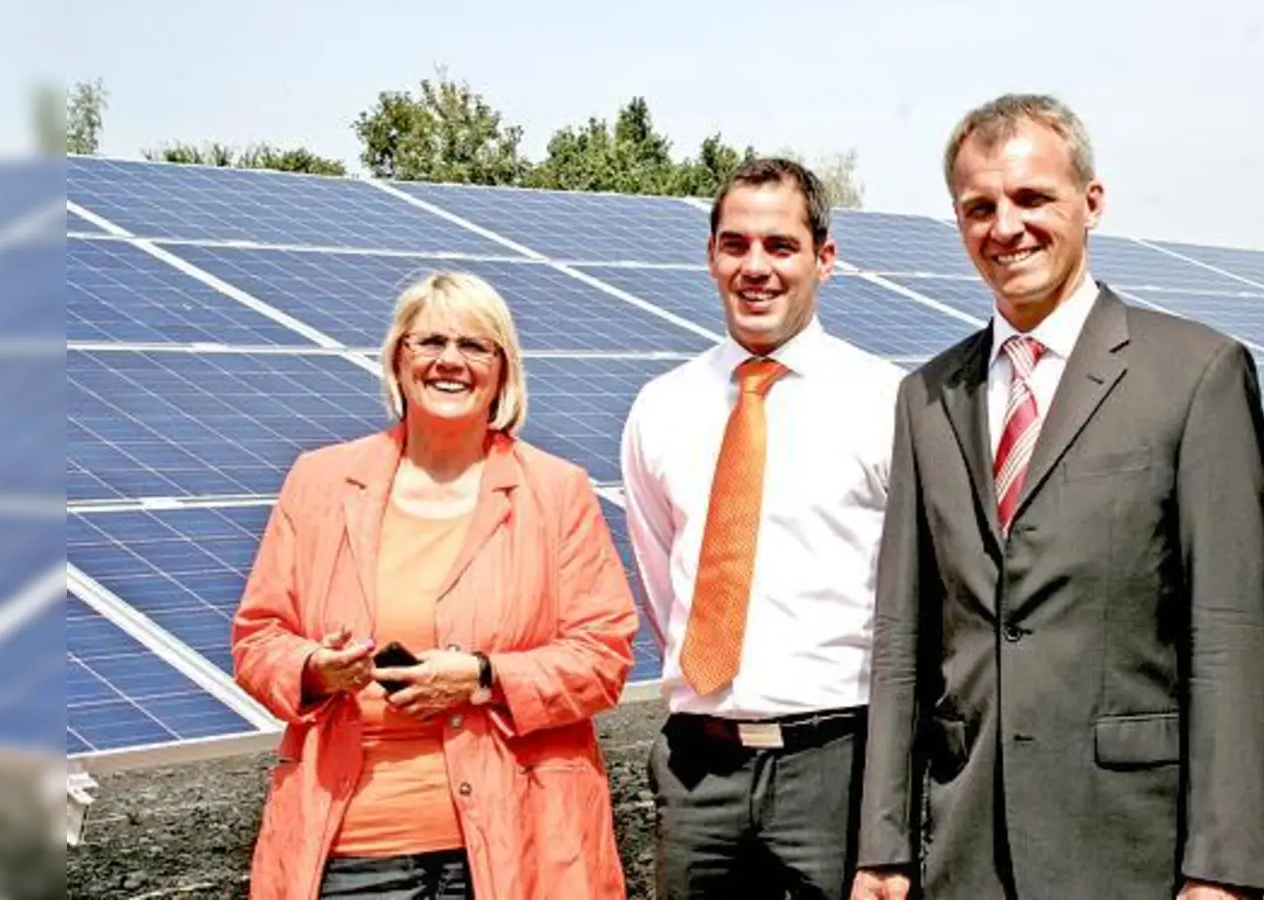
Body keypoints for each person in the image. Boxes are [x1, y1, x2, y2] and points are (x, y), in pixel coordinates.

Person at [852, 94, 1264, 900]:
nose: (1005, 227)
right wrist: (884, 844)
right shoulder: (929, 396)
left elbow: (1228, 635)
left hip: (1127, 841)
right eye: (979, 207)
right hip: (966, 841)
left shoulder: (1194, 374)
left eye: (1031, 198)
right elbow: (903, 635)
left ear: (1090, 202)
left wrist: (1223, 869)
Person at [231, 270, 639, 900]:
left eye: (476, 346)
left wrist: (481, 677)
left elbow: (603, 655)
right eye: (431, 343)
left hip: (517, 842)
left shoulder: (556, 492)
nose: (451, 362)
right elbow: (258, 639)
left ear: (503, 370)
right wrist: (316, 667)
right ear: (399, 360)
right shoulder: (319, 482)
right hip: (351, 851)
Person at [620, 157, 905, 899]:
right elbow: (663, 578)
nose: (757, 268)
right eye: (735, 245)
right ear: (710, 256)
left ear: (825, 259)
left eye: (781, 246)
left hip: (836, 765)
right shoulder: (662, 406)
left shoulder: (888, 402)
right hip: (698, 771)